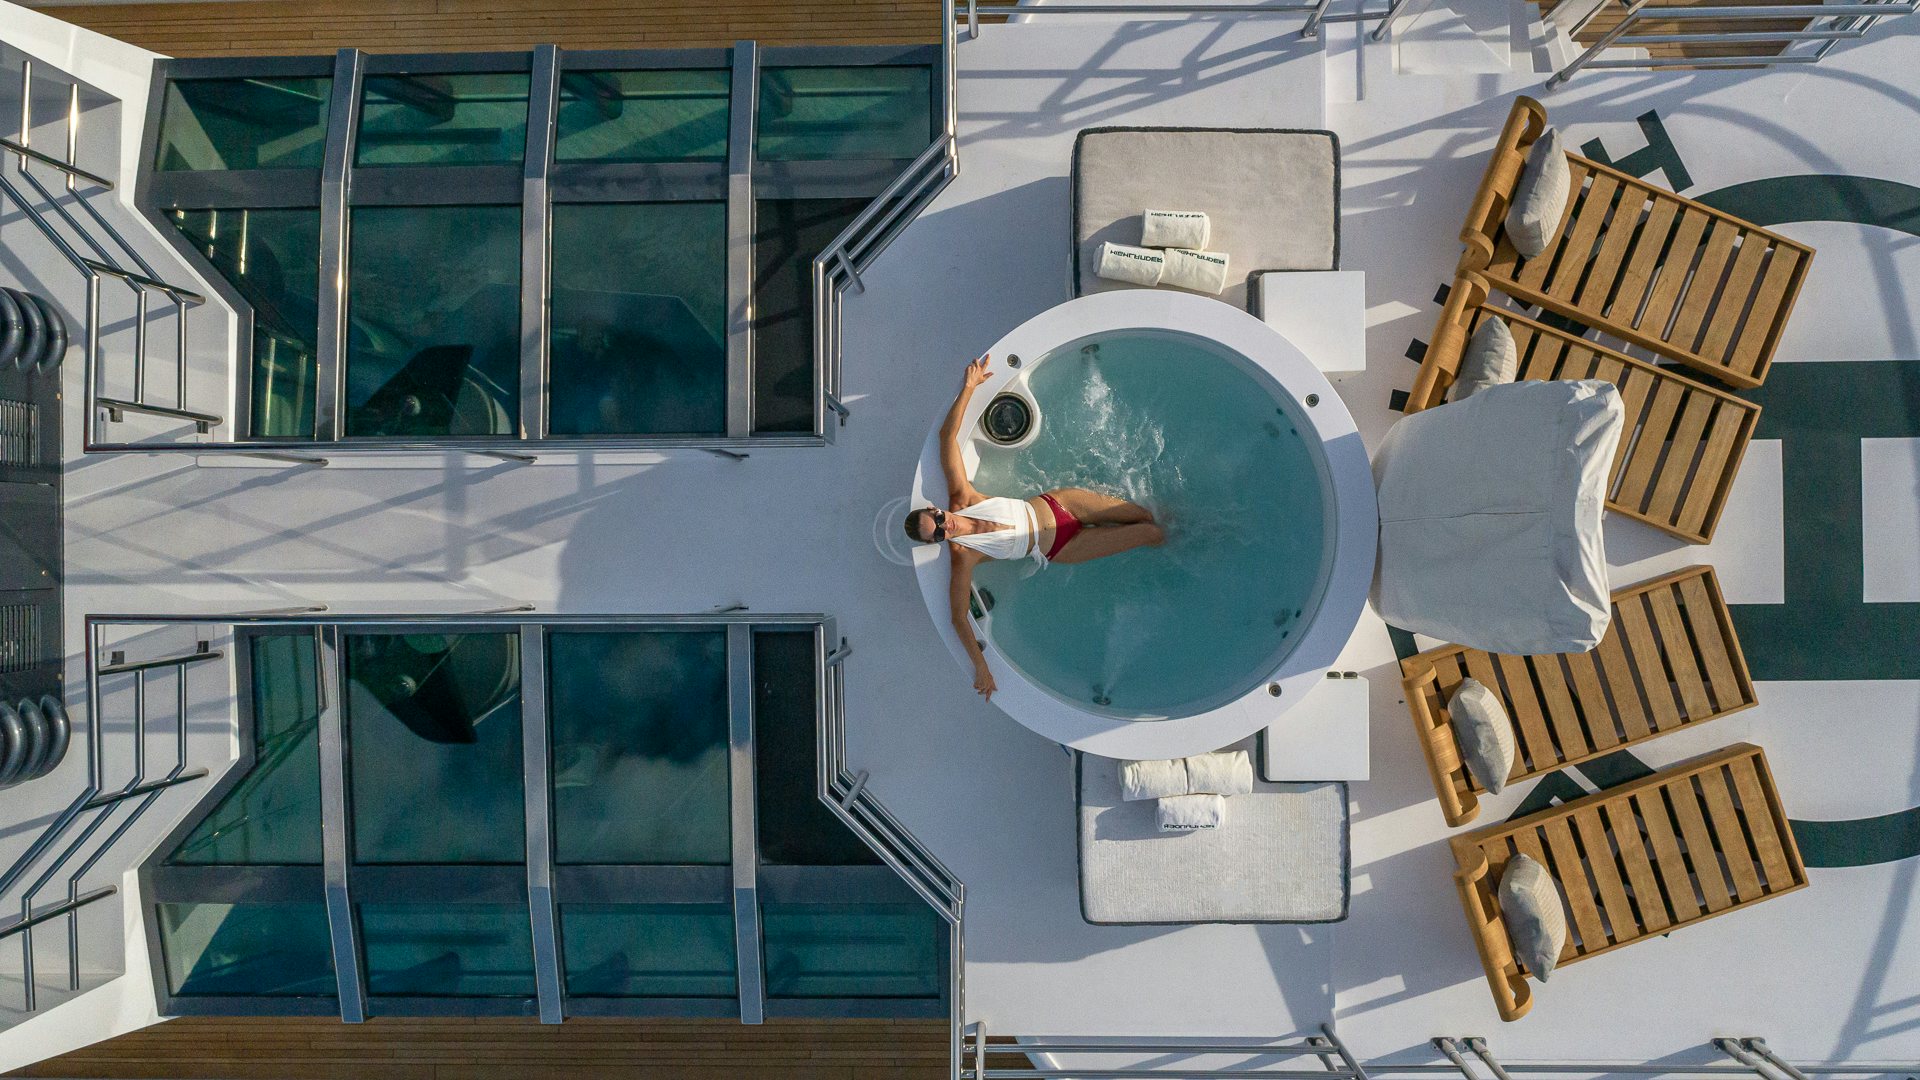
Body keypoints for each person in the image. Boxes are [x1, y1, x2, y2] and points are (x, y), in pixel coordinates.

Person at [905, 355, 1164, 700]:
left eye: (937, 519)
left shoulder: (962, 496)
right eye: (938, 533)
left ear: (935, 509)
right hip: (1061, 548)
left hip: (1061, 503)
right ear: (937, 540)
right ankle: (1178, 546)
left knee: (1143, 514)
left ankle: (1188, 524)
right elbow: (957, 617)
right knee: (1150, 533)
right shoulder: (963, 556)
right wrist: (981, 668)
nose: (944, 526)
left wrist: (969, 387)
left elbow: (946, 437)